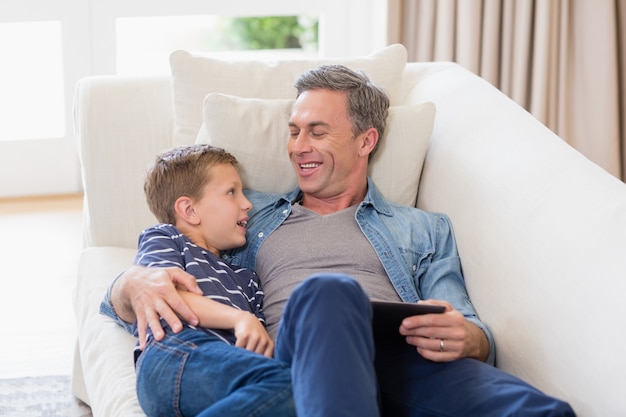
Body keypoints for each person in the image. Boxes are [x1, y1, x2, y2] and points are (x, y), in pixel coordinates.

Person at [103, 65, 576, 416]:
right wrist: (132, 282)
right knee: (329, 292)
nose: (297, 146)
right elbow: (176, 254)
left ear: (365, 140)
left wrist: (470, 337)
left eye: (317, 131)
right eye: (293, 131)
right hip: (302, 355)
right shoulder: (249, 214)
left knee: (543, 412)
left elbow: (470, 327)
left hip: (405, 359)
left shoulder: (424, 228)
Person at [122, 144, 296, 417]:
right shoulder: (167, 238)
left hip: (225, 374)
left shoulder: (246, 278)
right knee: (292, 385)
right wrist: (240, 319)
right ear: (189, 210)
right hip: (176, 352)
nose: (247, 203)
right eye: (231, 192)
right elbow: (165, 294)